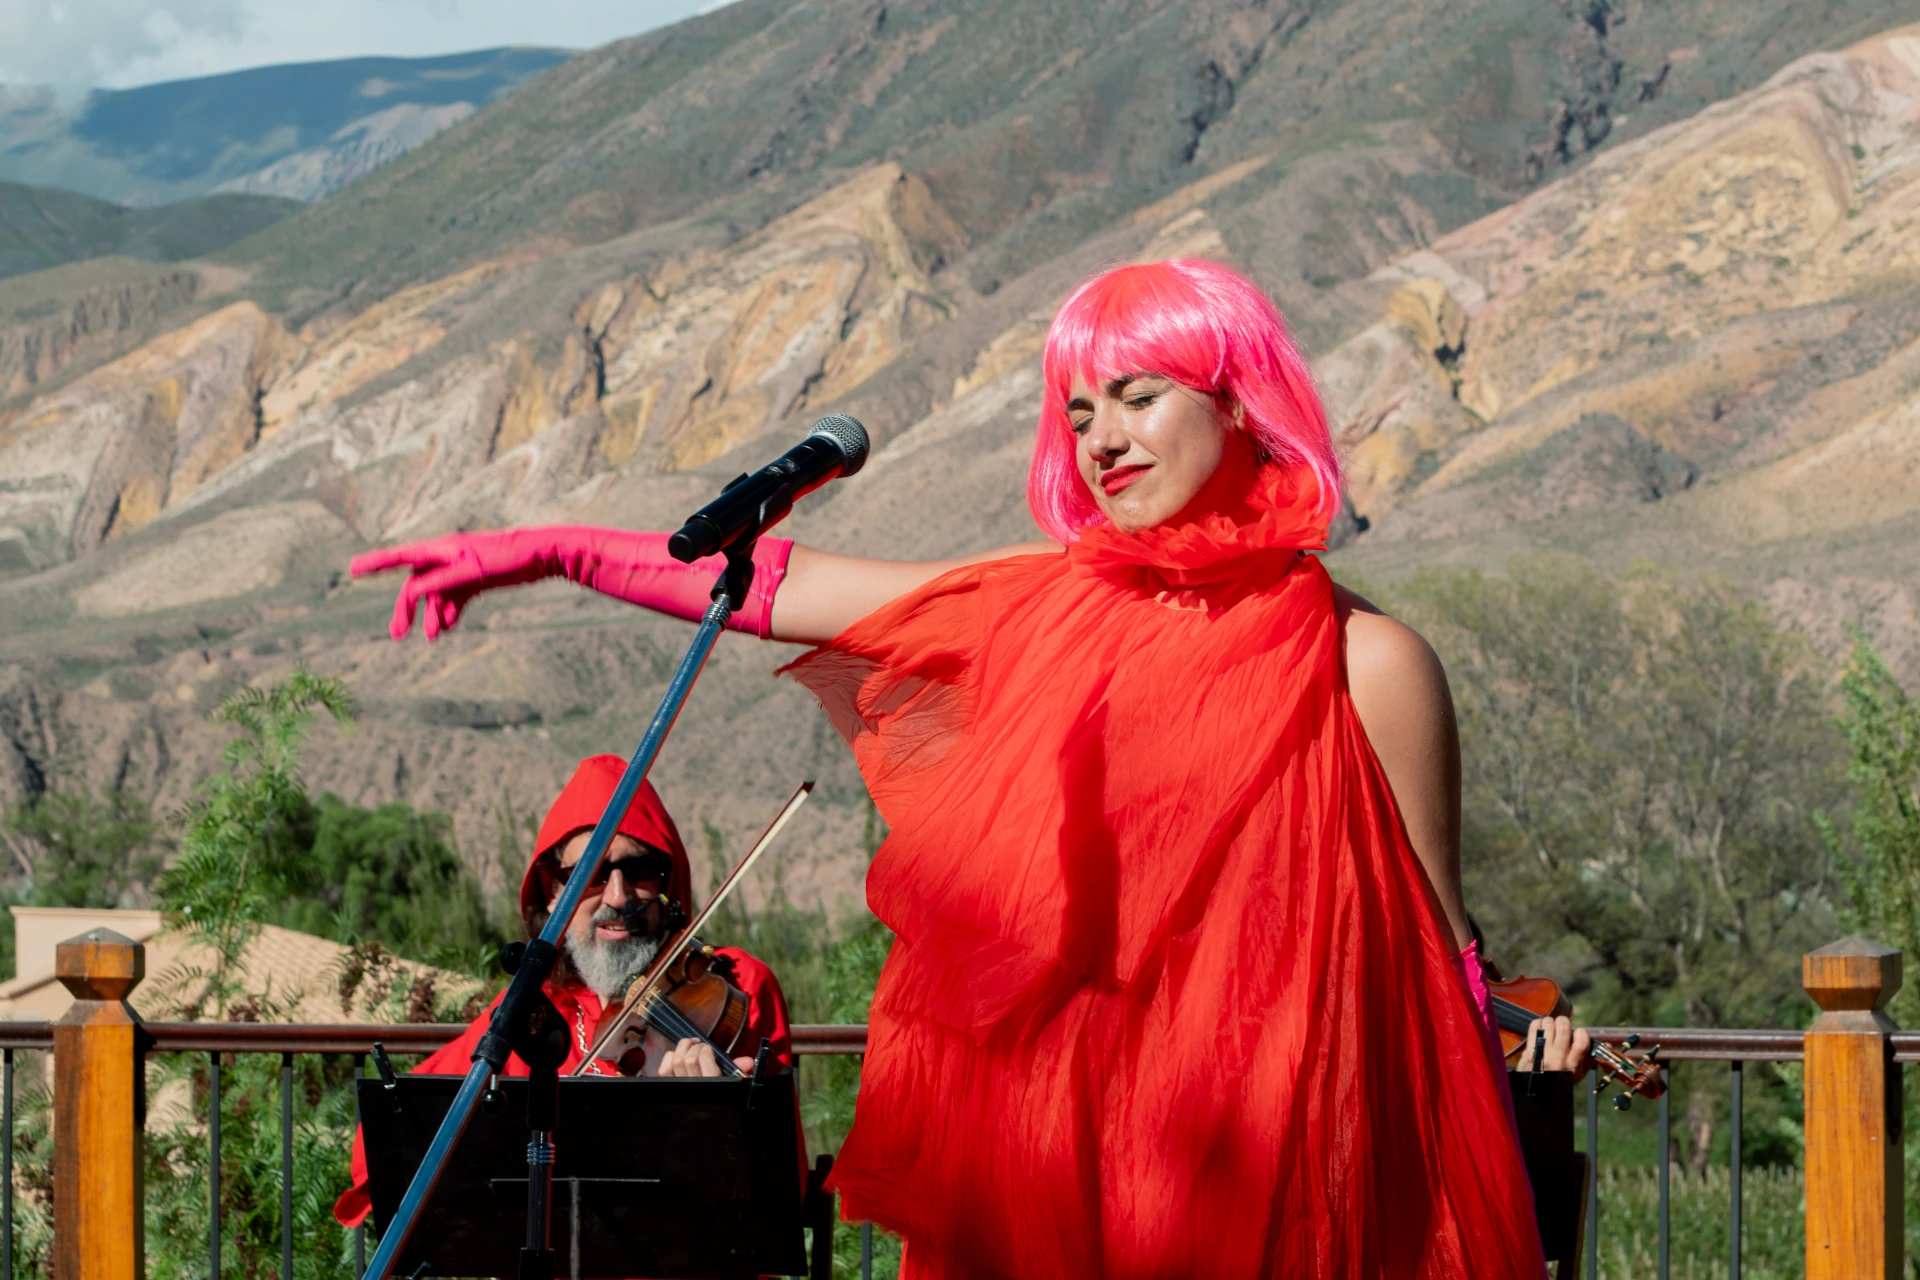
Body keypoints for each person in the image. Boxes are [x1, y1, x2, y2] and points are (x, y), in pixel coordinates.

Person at [352, 260, 1546, 1277]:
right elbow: (775, 584)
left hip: (1275, 1166)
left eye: (1138, 396)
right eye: (1079, 414)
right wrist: (549, 548)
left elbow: (1440, 950)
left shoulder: (1370, 659)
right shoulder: (1044, 609)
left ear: (1239, 403)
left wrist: (1523, 1028)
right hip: (1059, 1155)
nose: (1104, 439)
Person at [332, 754, 795, 1230]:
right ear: (552, 893)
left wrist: (715, 1124)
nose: (617, 896)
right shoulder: (535, 1007)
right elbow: (391, 1134)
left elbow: (782, 1181)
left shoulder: (738, 984)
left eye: (640, 871)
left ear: (668, 886)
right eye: (590, 873)